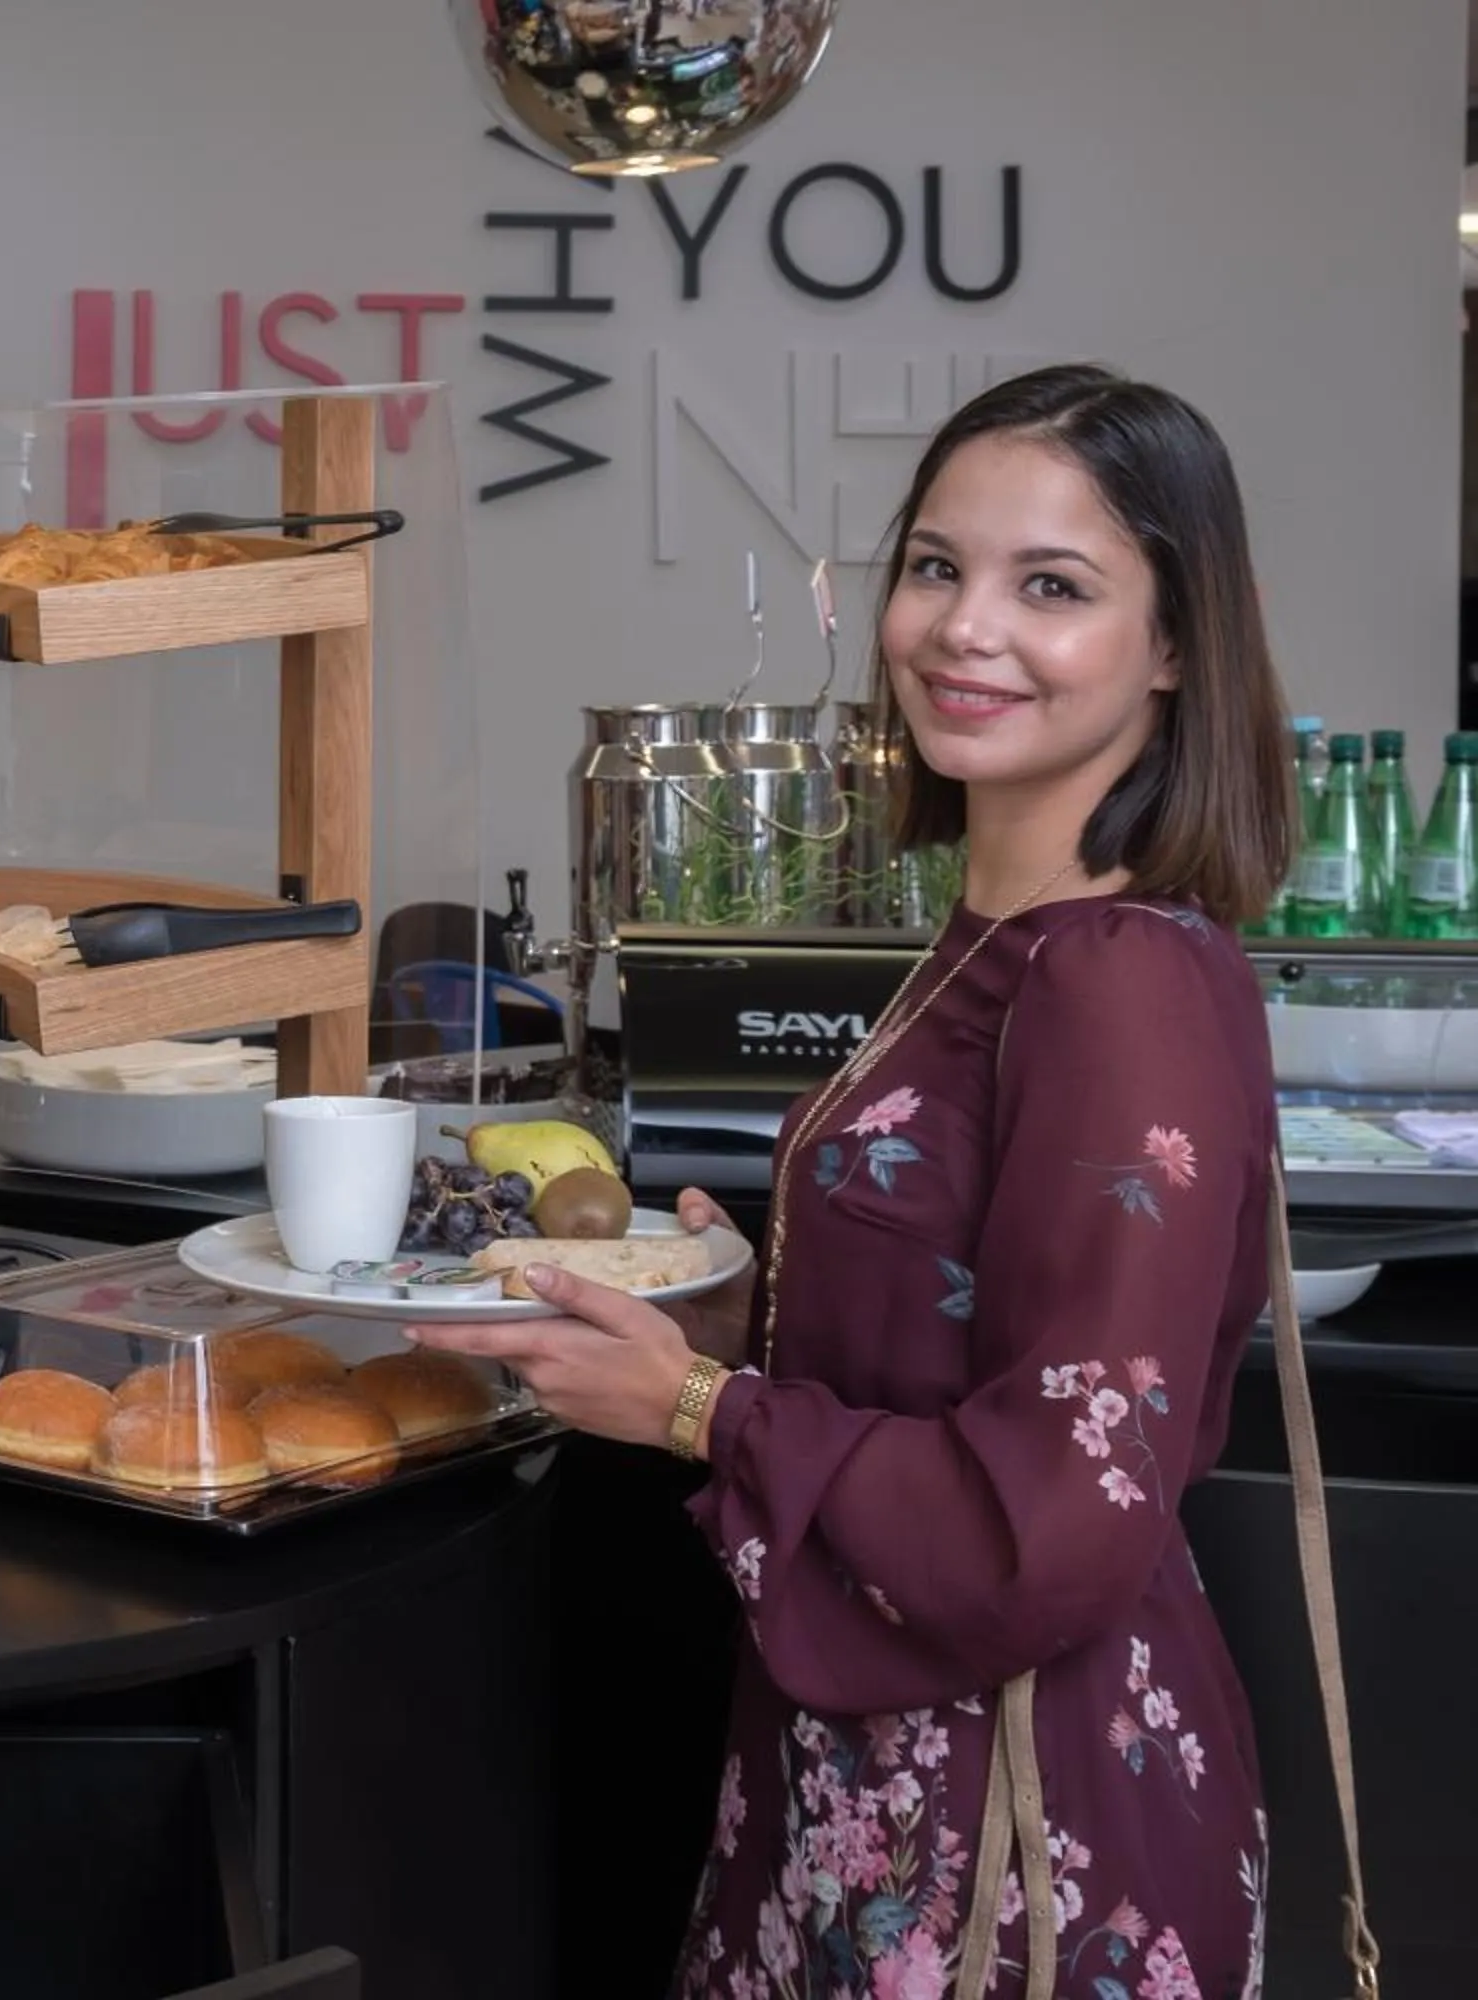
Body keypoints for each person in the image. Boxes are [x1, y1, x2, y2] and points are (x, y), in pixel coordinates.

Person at [431, 364, 1293, 1999]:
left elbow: (1052, 1517)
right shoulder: (989, 938)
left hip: (1028, 1836)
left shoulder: (1117, 975)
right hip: (875, 1782)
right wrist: (757, 1307)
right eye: (937, 566)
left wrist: (694, 1406)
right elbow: (981, 1330)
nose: (968, 630)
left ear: (1177, 645)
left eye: (1055, 587)